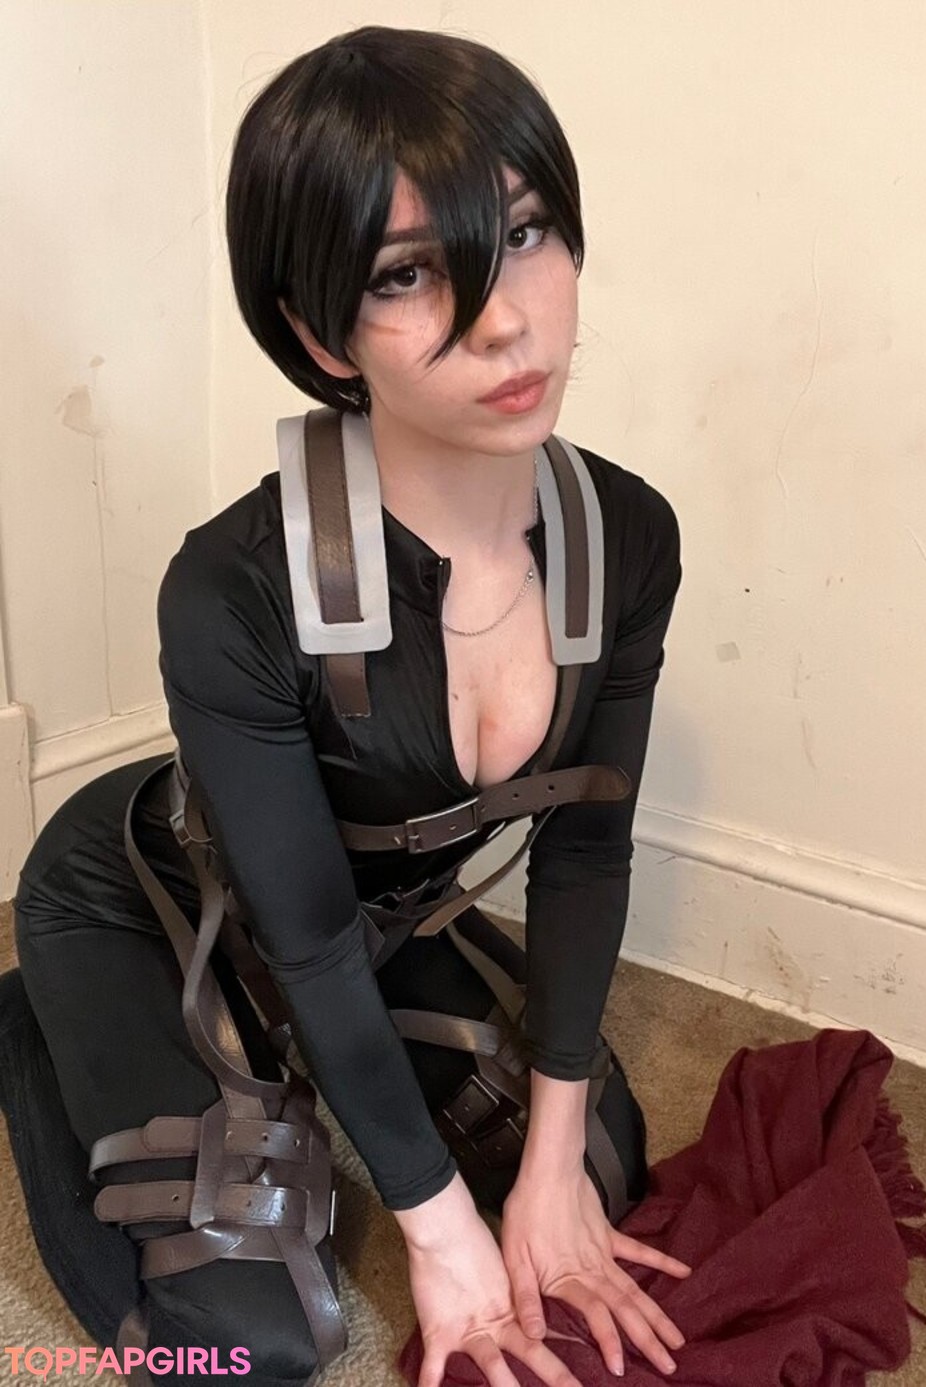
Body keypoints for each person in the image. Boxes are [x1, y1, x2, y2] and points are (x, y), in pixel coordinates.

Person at [7, 24, 688, 1387]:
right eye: (408, 274)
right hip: (151, 896)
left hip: (367, 916)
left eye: (526, 233)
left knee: (602, 1163)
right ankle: (38, 1025)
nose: (505, 319)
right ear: (322, 333)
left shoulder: (626, 537)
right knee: (256, 1337)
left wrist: (549, 1166)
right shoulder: (232, 589)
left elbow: (586, 853)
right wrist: (438, 1232)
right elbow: (304, 940)